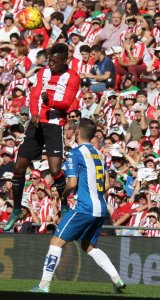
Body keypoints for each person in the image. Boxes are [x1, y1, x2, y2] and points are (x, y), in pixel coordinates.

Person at [31, 118, 126, 294]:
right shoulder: (100, 154)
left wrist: (64, 193)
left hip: (85, 207)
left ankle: (43, 285)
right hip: (101, 208)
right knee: (88, 245)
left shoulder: (75, 153)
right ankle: (117, 279)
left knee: (56, 241)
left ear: (76, 133)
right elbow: (105, 186)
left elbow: (72, 183)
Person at [3, 43, 80, 231]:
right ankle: (17, 209)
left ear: (65, 60)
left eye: (55, 61)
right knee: (19, 166)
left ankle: (63, 203)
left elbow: (68, 103)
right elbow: (35, 94)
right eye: (49, 60)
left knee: (55, 170)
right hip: (37, 124)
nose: (51, 64)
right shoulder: (43, 72)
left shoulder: (73, 77)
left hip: (55, 125)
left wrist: (50, 102)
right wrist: (34, 112)